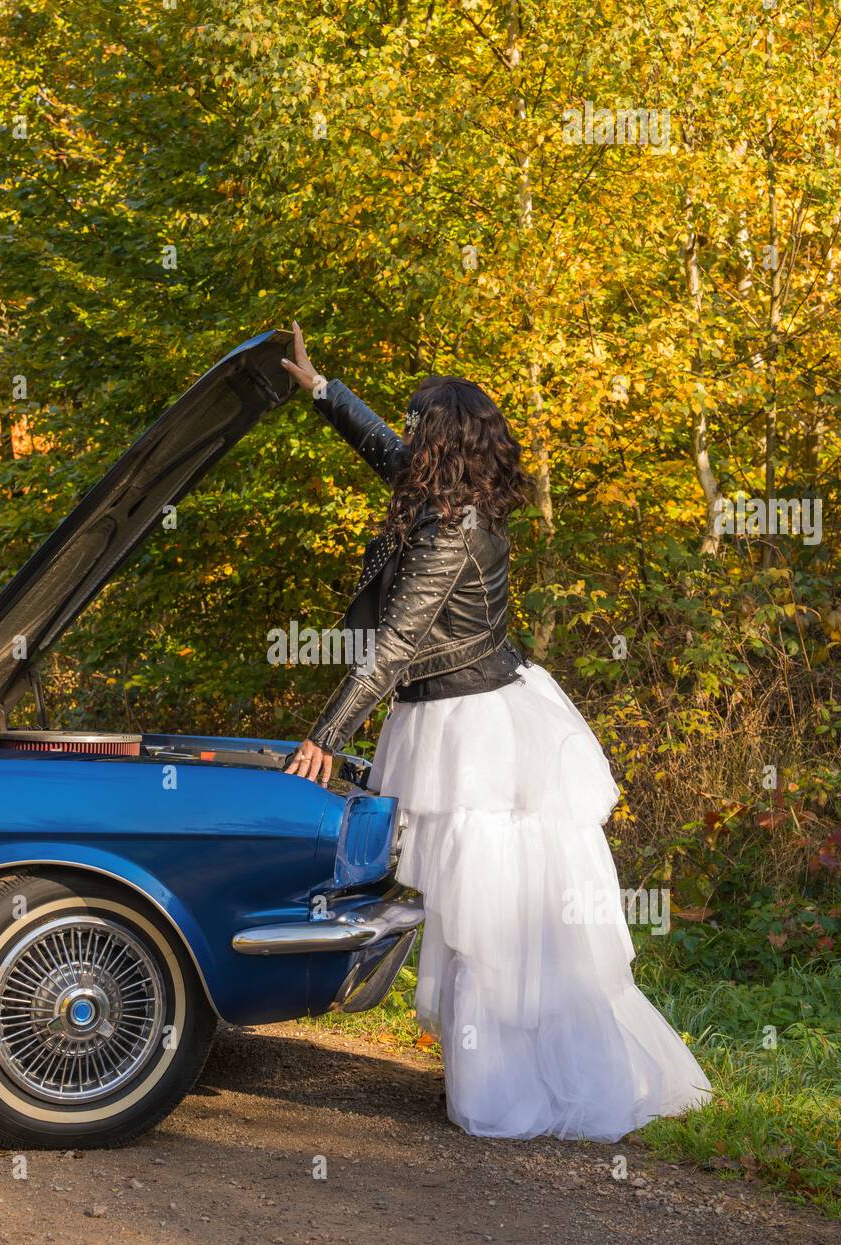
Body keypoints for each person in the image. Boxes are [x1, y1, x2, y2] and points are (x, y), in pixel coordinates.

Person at [280, 323, 710, 1142]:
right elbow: (380, 448)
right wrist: (320, 388)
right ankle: (488, 1070)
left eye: (416, 424)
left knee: (488, 915)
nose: (404, 434)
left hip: (471, 734)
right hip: (470, 714)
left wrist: (327, 734)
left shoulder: (451, 530)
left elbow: (397, 642)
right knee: (474, 910)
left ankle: (510, 1089)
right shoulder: (445, 497)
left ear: (439, 442)